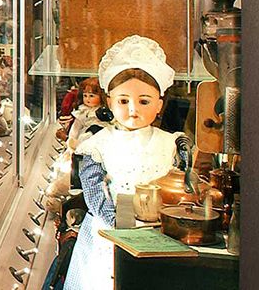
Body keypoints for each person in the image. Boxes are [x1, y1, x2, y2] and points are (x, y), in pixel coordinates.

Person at [63, 36, 183, 290]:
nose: (132, 109)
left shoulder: (169, 143)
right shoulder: (98, 144)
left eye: (144, 101)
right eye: (123, 100)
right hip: (108, 236)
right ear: (109, 101)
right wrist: (114, 221)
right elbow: (94, 190)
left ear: (159, 104)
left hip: (159, 235)